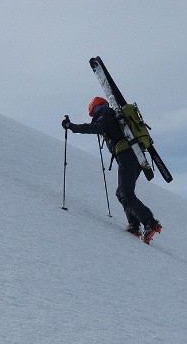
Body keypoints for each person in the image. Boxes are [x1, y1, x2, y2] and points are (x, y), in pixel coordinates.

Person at [63, 97, 162, 242]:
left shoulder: (105, 114)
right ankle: (134, 225)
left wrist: (71, 126)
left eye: (93, 113)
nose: (93, 115)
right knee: (122, 193)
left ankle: (150, 222)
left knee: (125, 193)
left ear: (96, 109)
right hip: (136, 156)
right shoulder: (112, 115)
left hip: (128, 156)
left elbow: (96, 128)